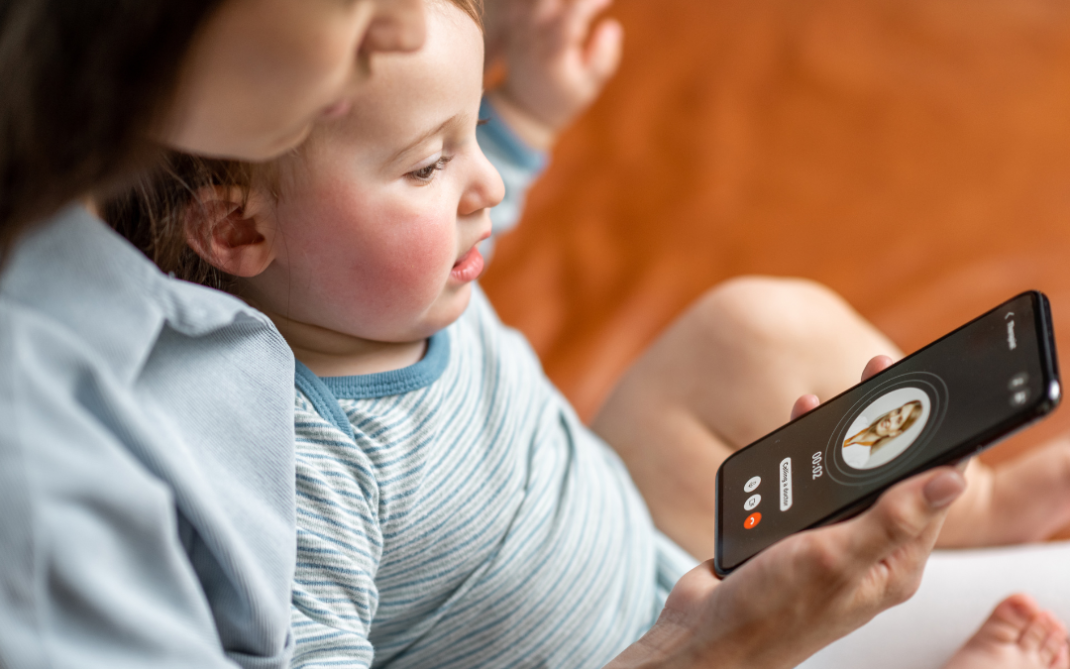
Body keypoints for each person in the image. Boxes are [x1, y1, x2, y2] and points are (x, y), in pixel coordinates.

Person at [100, 0, 1068, 666]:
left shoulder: (368, 282)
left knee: (748, 328)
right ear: (239, 232)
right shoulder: (291, 468)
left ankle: (978, 504)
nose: (480, 183)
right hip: (649, 654)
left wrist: (527, 111)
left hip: (639, 545)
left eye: (469, 128)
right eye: (427, 164)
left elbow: (473, 202)